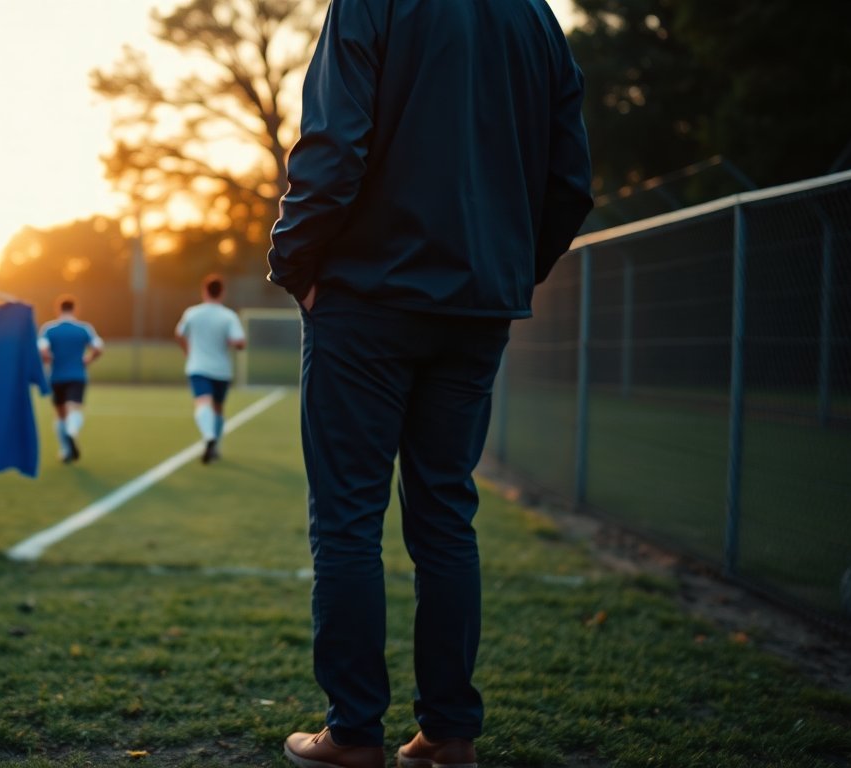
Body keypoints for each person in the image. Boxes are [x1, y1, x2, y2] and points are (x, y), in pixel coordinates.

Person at [267, 1, 593, 766]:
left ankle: (352, 735)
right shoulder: (536, 19)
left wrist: (293, 265)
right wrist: (505, 272)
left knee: (348, 519)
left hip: (368, 299)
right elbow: (569, 179)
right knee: (447, 517)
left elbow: (334, 145)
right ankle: (449, 734)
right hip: (476, 307)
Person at [174, 274, 246, 464]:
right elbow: (240, 343)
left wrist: (187, 351)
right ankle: (216, 445)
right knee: (218, 408)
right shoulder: (228, 315)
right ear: (222, 292)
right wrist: (233, 342)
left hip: (198, 367)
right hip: (221, 369)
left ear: (204, 291)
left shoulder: (192, 313)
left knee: (202, 402)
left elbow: (179, 333)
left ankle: (208, 437)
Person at [37, 294, 103, 463]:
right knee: (74, 408)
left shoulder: (49, 329)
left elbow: (43, 351)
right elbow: (98, 347)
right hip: (77, 375)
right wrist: (87, 360)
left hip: (56, 376)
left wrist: (49, 359)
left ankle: (65, 450)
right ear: (75, 309)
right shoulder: (84, 328)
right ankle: (72, 431)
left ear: (58, 309)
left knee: (60, 414)